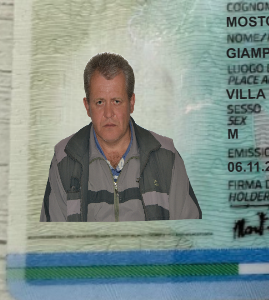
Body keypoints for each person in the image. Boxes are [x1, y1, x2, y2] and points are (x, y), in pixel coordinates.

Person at [40, 53, 201, 221]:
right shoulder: (64, 160)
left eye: (116, 101)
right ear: (87, 107)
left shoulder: (167, 157)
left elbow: (189, 233)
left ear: (131, 103)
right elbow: (53, 236)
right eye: (100, 102)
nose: (108, 113)